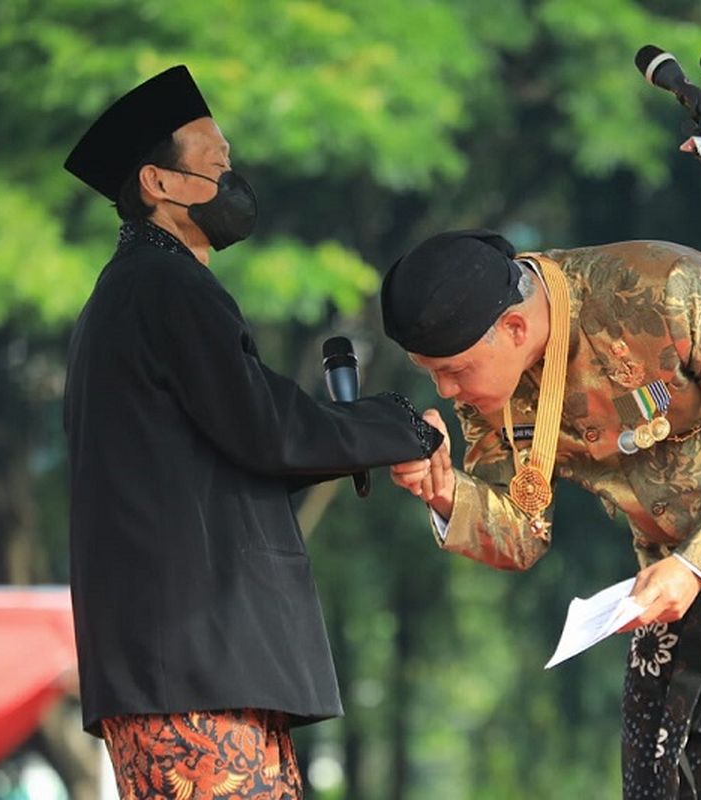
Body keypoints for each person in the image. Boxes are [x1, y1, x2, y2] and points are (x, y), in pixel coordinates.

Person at [383, 230, 701, 799]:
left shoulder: (660, 289)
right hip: (675, 567)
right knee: (660, 773)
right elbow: (521, 533)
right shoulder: (489, 396)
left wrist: (697, 566)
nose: (447, 392)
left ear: (515, 329)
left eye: (454, 371)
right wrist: (446, 493)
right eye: (431, 374)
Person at [61, 65, 442, 800]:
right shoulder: (163, 287)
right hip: (190, 667)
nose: (234, 181)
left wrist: (368, 433)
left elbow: (234, 444)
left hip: (193, 666)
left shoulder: (137, 294)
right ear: (159, 184)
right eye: (215, 166)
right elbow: (265, 427)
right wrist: (396, 426)